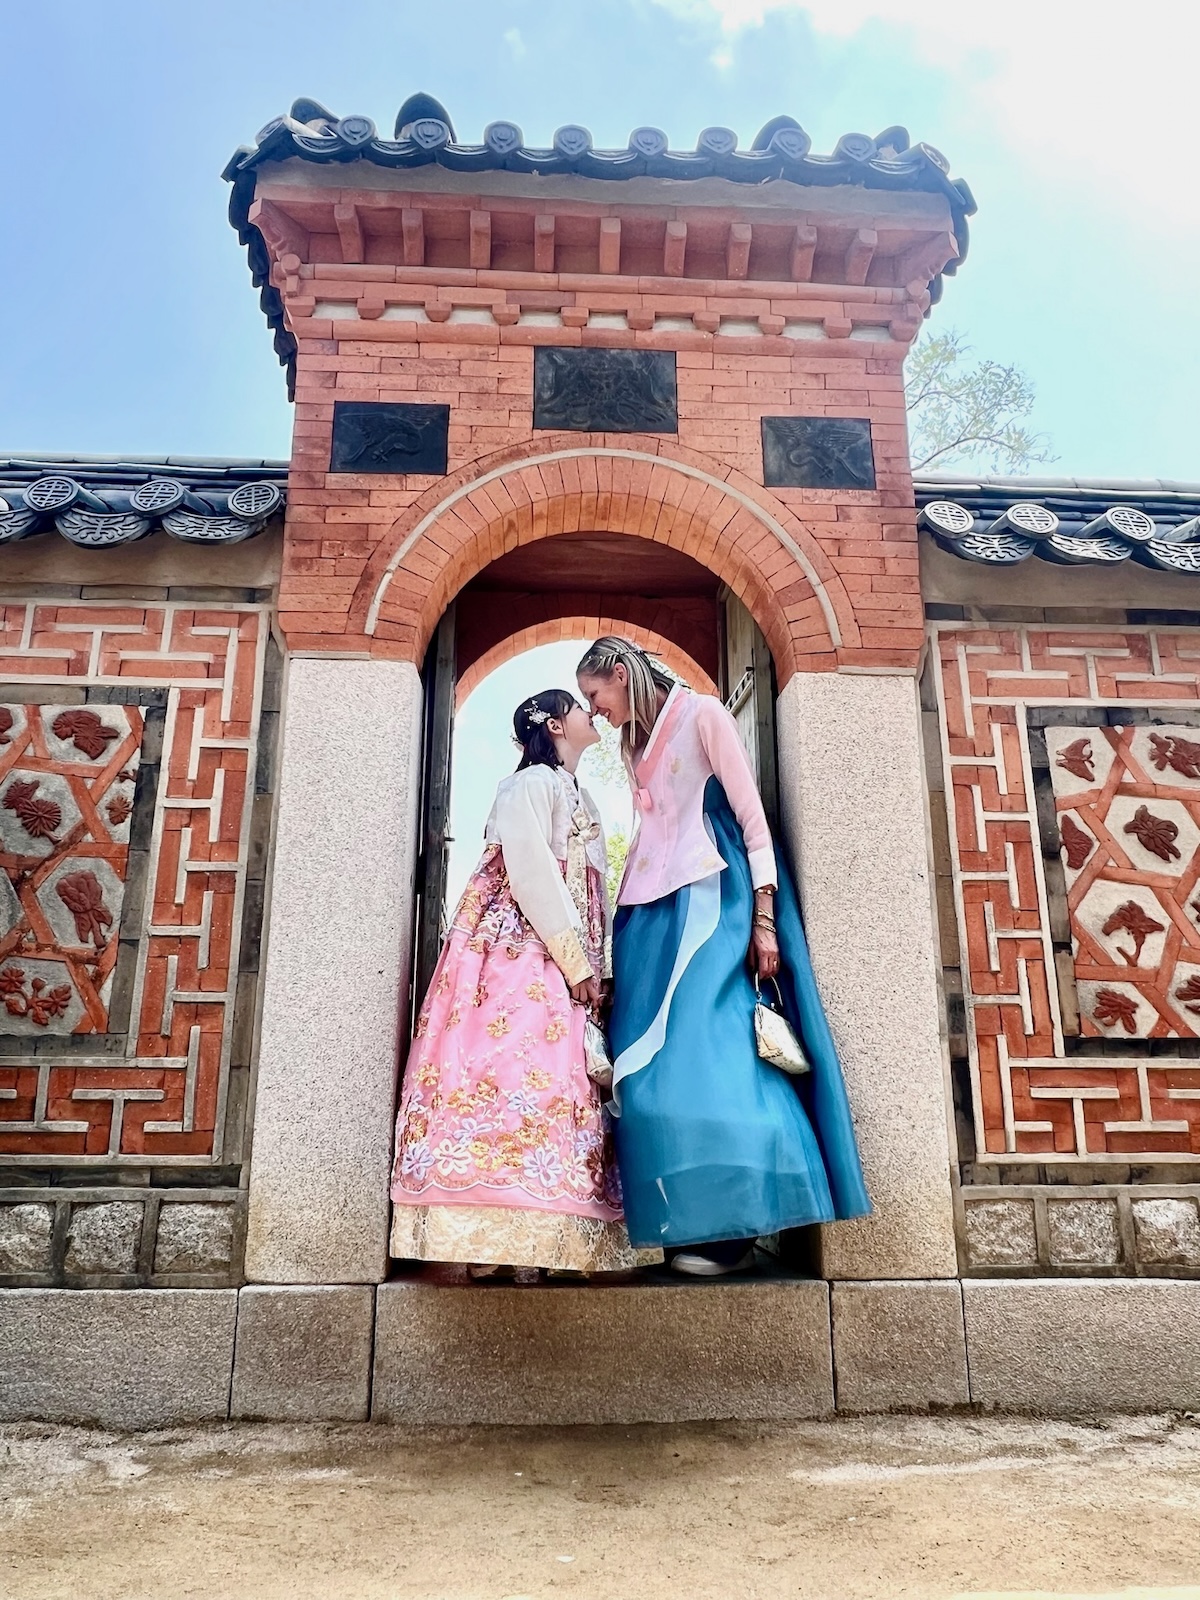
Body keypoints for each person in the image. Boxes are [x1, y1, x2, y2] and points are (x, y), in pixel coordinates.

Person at [575, 636, 870, 1276]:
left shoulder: (705, 714)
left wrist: (764, 920)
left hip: (715, 896)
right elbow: (651, 832)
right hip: (649, 912)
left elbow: (752, 818)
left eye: (594, 695)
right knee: (638, 1073)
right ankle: (686, 1216)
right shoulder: (632, 745)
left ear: (621, 673)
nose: (594, 712)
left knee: (704, 1052)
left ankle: (735, 1226)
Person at [390, 688, 640, 1274]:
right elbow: (530, 874)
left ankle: (553, 1241)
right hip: (519, 951)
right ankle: (492, 1241)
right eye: (579, 707)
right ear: (555, 724)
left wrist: (596, 966)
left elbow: (591, 894)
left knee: (562, 1082)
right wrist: (575, 962)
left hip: (567, 954)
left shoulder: (580, 794)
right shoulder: (531, 783)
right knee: (508, 1071)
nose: (590, 713)